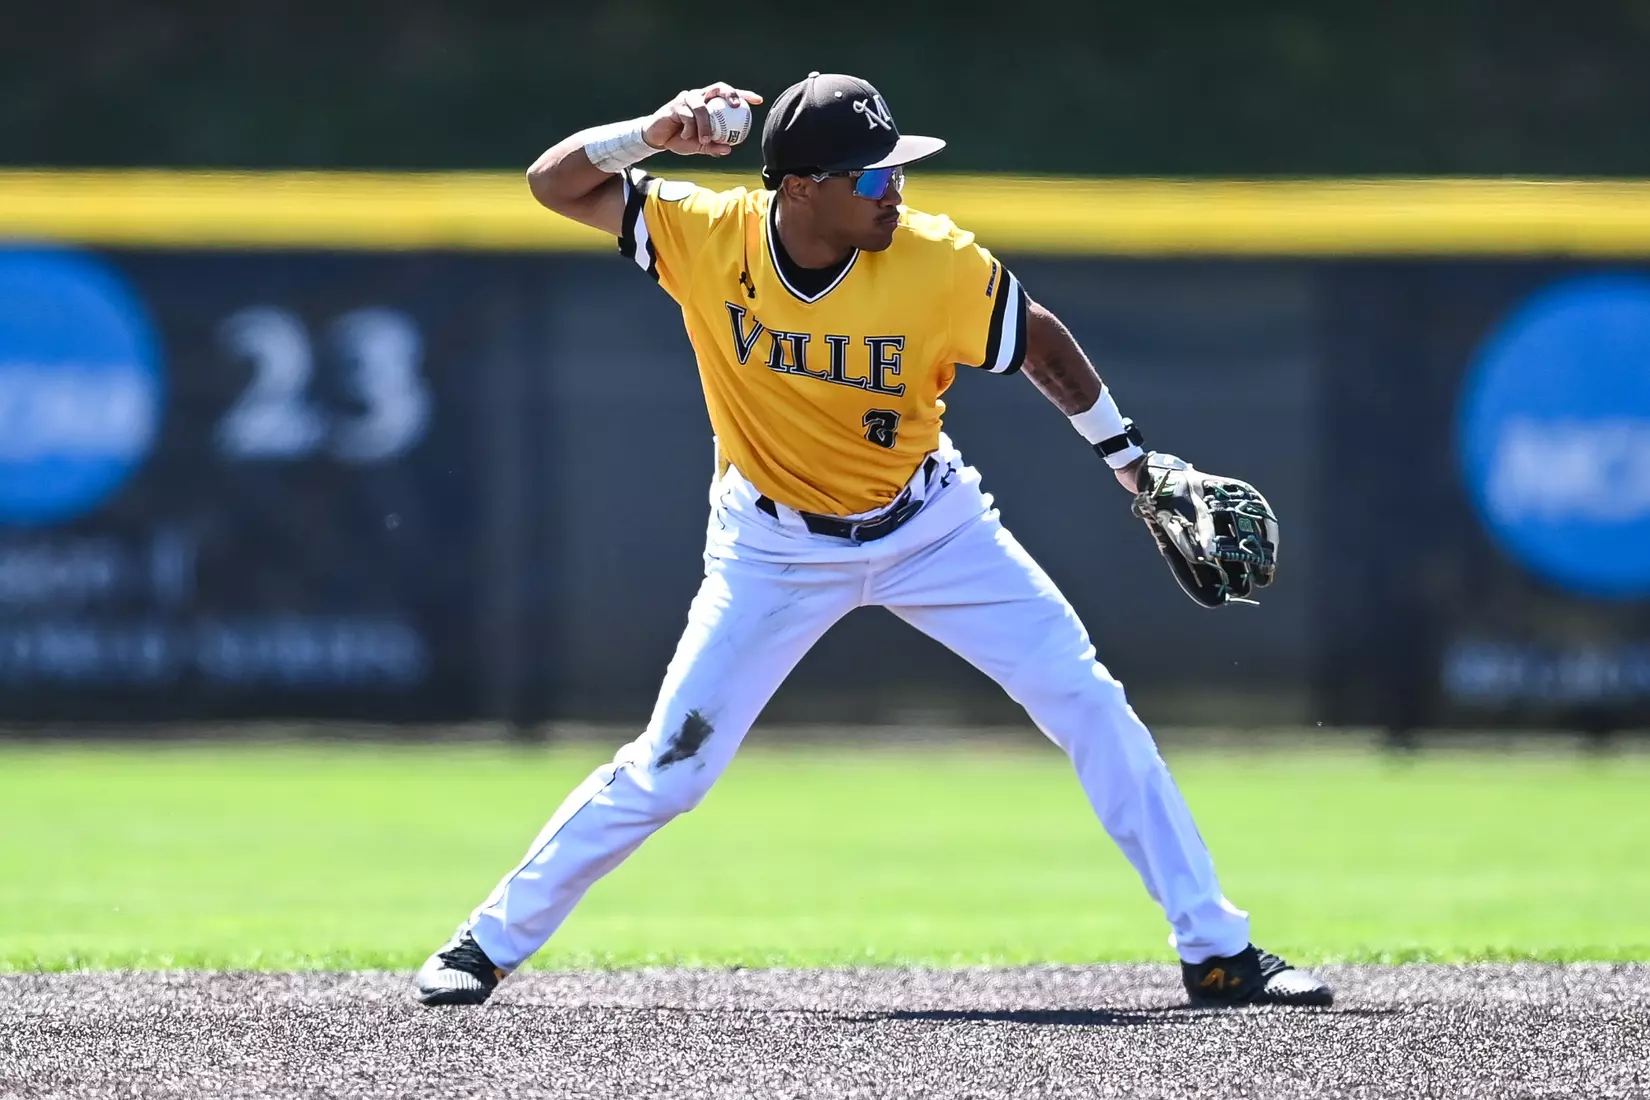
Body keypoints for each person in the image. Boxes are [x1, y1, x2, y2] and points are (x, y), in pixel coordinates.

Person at [415, 73, 1332, 1009]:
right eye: (870, 176)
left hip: (932, 526)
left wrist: (1131, 462)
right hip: (770, 549)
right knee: (671, 768)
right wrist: (648, 134)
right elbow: (552, 182)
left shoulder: (936, 261)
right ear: (803, 188)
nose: (894, 190)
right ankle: (482, 945)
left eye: (896, 170)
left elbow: (1042, 342)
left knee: (1089, 702)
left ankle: (1218, 951)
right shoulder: (708, 233)